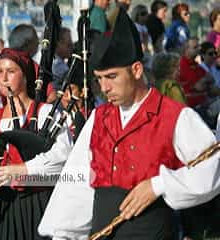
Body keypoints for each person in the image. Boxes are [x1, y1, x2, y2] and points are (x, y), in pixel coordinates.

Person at [38, 7, 220, 240]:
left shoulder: (175, 116)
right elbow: (78, 180)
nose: (104, 88)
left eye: (112, 77)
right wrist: (63, 235)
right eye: (99, 79)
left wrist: (160, 184)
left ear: (136, 70)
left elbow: (211, 169)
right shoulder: (99, 118)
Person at [0, 48, 72, 240]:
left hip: (38, 206)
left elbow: (63, 159)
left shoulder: (47, 113)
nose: (4, 78)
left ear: (26, 76)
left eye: (11, 71)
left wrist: (23, 170)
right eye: (0, 71)